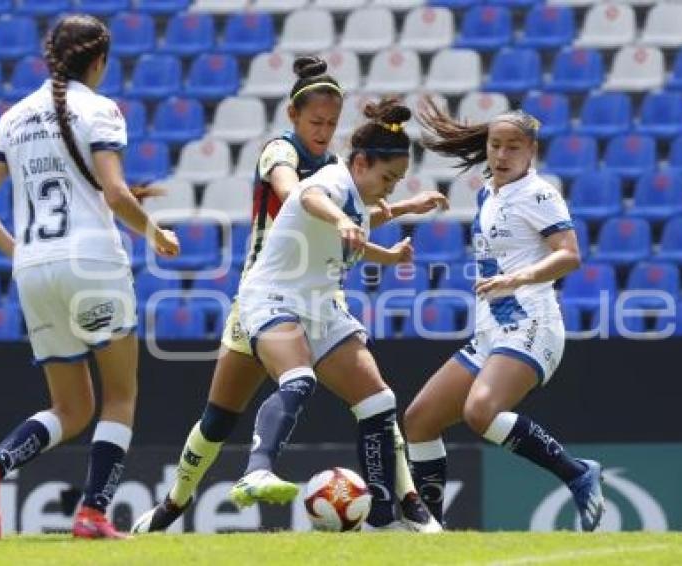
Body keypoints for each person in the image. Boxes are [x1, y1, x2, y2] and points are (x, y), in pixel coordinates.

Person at [132, 60, 446, 533]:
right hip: (267, 294)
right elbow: (300, 196)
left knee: (377, 399)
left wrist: (393, 221)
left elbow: (352, 217)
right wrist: (340, 215)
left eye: (331, 125)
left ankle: (403, 507)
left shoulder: (343, 173)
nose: (323, 131)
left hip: (319, 297)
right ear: (294, 116)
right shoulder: (284, 154)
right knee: (221, 418)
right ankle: (175, 503)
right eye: (315, 122)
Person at [0, 14, 180, 540]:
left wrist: (21, 252)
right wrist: (154, 233)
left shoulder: (14, 116)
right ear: (98, 61)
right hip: (93, 264)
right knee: (119, 396)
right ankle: (93, 512)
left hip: (34, 271)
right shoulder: (100, 110)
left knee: (71, 408)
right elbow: (117, 194)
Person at [402, 102, 605, 531]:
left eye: (513, 147)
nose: (501, 155)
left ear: (531, 151)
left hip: (532, 324)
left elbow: (569, 255)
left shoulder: (539, 194)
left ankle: (576, 472)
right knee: (419, 420)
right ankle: (430, 531)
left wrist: (519, 278)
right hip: (492, 330)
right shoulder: (487, 194)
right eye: (496, 145)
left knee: (480, 411)